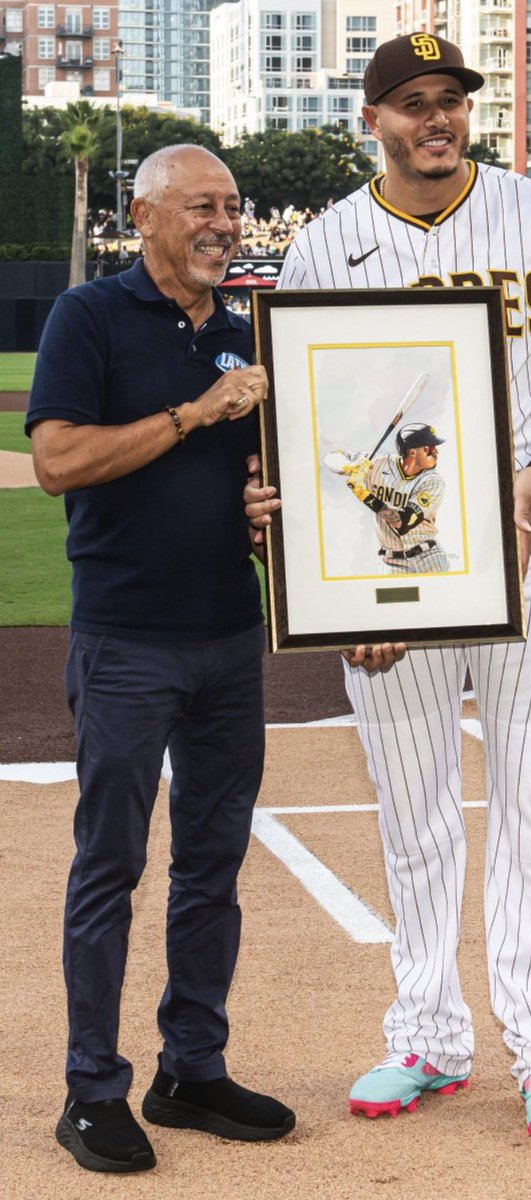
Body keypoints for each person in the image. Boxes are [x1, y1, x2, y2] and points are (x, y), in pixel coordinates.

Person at [245, 33, 531, 1145]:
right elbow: (305, 422)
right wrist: (341, 589)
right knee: (412, 805)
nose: (438, 119)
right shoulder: (328, 244)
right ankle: (427, 1032)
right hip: (394, 558)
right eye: (412, 103)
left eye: (451, 101)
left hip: (528, 540)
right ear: (372, 120)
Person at [26, 144, 295, 1175]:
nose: (223, 222)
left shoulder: (246, 337)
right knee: (111, 864)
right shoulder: (88, 318)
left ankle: (192, 1067)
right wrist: (194, 415)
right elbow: (56, 462)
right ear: (143, 218)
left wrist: (276, 527)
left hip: (230, 636)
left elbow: (260, 494)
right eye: (200, 207)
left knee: (212, 869)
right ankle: (92, 1087)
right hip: (127, 641)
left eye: (231, 206)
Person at [323, 422, 449, 573]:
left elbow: (402, 523)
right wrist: (350, 466)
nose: (436, 451)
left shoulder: (433, 482)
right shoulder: (378, 463)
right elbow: (332, 457)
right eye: (429, 447)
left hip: (428, 557)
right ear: (412, 452)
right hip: (390, 561)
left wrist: (364, 494)